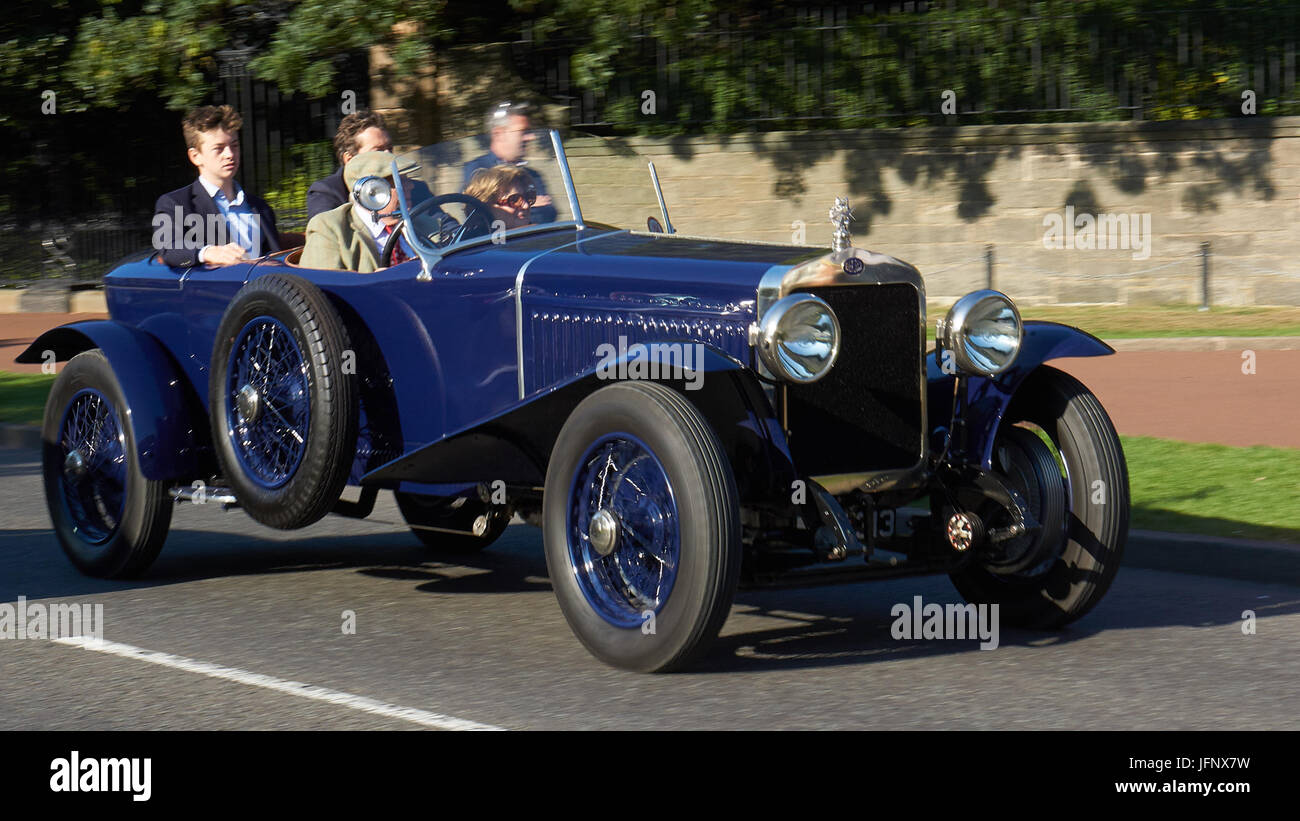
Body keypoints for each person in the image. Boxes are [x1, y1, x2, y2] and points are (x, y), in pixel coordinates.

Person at [153, 105, 281, 268]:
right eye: (218, 149)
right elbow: (169, 248)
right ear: (195, 156)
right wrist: (207, 252)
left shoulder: (261, 207)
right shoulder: (175, 203)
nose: (229, 154)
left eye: (234, 145)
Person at [301, 151, 415, 272]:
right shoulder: (329, 228)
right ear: (371, 191)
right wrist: (376, 281)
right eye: (400, 181)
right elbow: (324, 284)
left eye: (407, 180)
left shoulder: (420, 222)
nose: (411, 186)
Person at [461, 102, 556, 223]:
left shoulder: (533, 175)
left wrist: (513, 205)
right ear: (499, 134)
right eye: (524, 132)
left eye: (529, 200)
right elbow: (479, 216)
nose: (531, 137)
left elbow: (549, 214)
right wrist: (532, 204)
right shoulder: (478, 171)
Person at [307, 110, 393, 221]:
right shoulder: (326, 193)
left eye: (390, 149)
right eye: (378, 151)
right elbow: (327, 233)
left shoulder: (410, 187)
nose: (389, 156)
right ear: (350, 159)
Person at [463, 165, 536, 230]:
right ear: (486, 208)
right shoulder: (476, 244)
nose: (526, 206)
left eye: (529, 197)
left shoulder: (541, 236)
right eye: (515, 200)